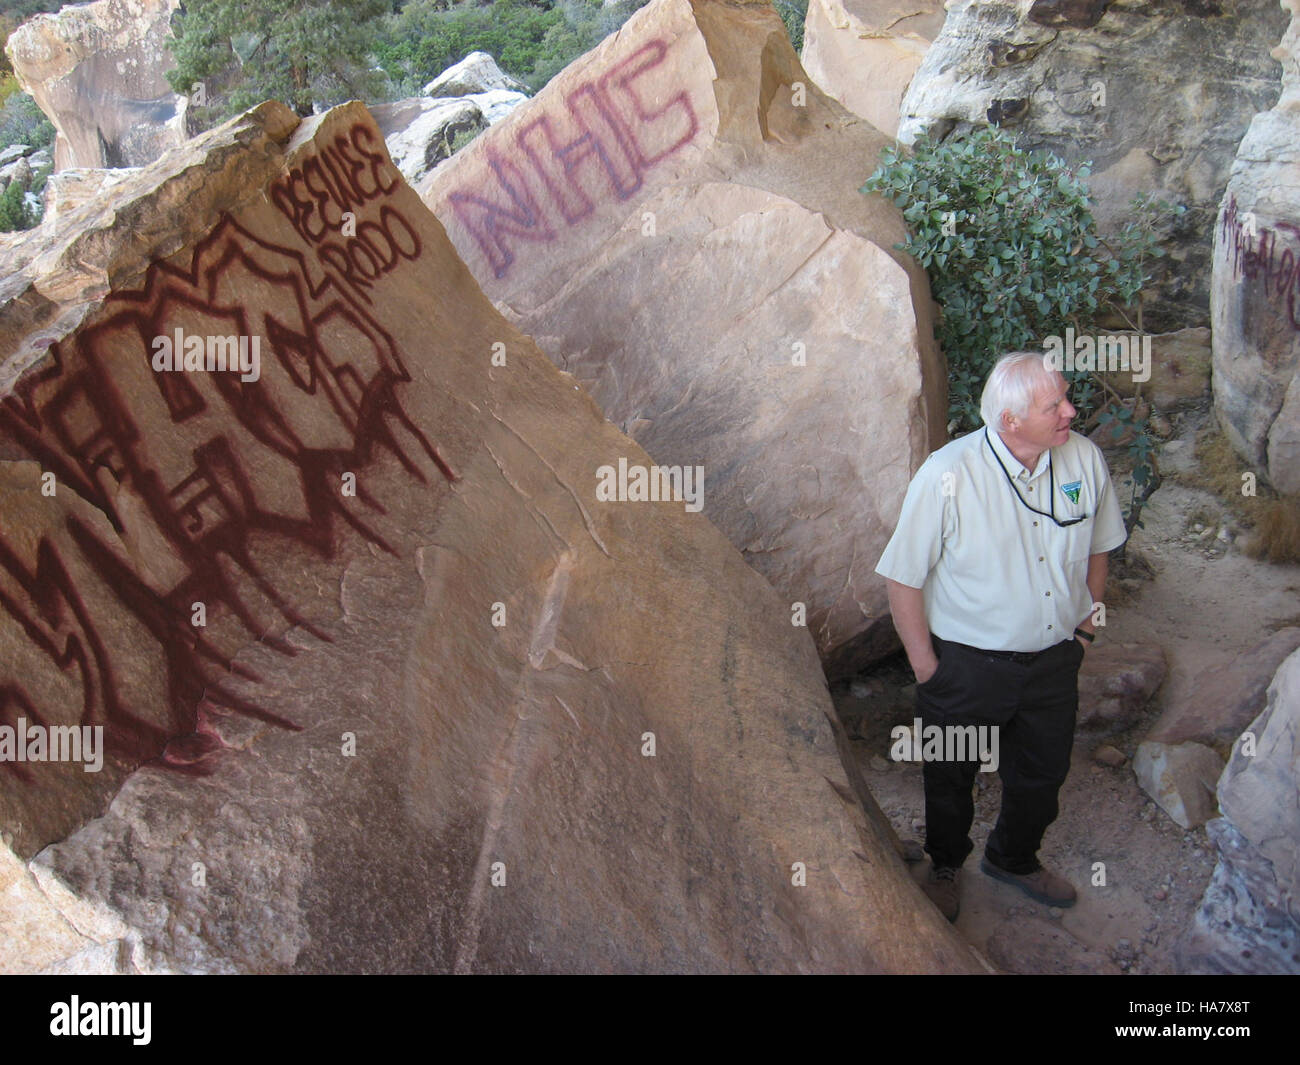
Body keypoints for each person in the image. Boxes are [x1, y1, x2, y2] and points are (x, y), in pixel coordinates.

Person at [874, 351, 1128, 922]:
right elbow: (902, 577)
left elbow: (1098, 549)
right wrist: (926, 669)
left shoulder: (1082, 458)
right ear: (1010, 421)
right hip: (966, 667)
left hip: (1053, 662)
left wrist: (1086, 632)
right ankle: (944, 864)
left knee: (1042, 774)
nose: (1070, 410)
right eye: (1053, 405)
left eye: (1064, 396)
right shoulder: (948, 474)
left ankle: (1013, 858)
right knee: (950, 777)